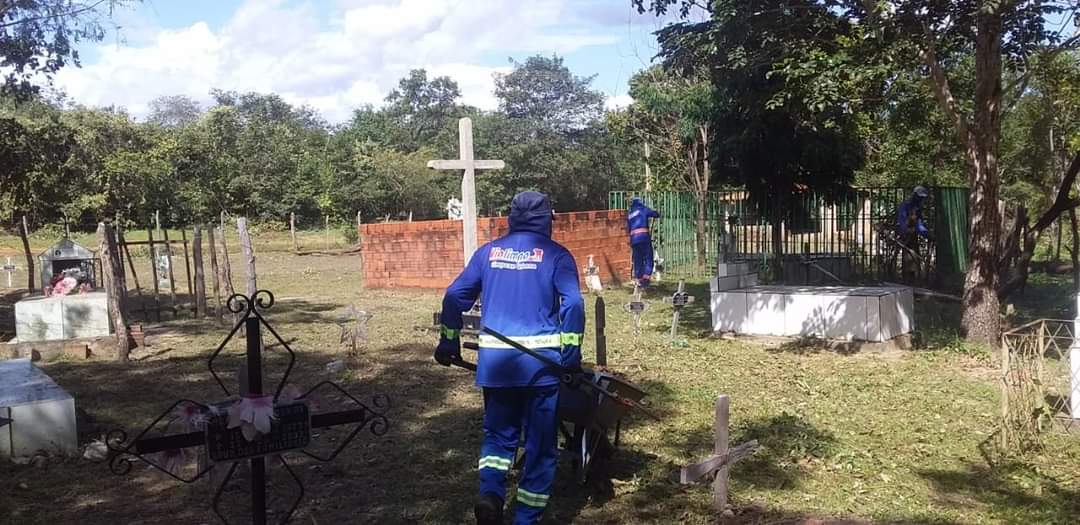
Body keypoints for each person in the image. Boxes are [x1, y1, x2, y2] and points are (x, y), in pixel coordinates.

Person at [435, 191, 585, 525]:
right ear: (548, 219)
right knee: (541, 446)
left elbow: (454, 295)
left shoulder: (488, 253)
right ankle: (525, 518)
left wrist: (449, 341)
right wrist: (571, 358)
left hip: (496, 367)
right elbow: (573, 305)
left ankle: (490, 494)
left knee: (499, 438)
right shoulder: (556, 255)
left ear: (511, 217)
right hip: (540, 370)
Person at [896, 186, 930, 282]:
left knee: (914, 257)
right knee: (908, 257)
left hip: (913, 235)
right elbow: (901, 221)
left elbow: (919, 224)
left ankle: (913, 279)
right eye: (919, 197)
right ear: (914, 195)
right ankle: (907, 280)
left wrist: (926, 234)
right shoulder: (905, 205)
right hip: (905, 235)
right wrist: (906, 229)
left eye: (922, 198)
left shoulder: (917, 208)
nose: (921, 199)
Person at [627, 197, 660, 288]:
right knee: (648, 257)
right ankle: (646, 279)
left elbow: (628, 229)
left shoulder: (630, 214)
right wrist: (657, 212)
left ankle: (639, 279)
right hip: (644, 238)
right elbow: (654, 214)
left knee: (638, 259)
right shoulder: (642, 209)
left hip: (634, 240)